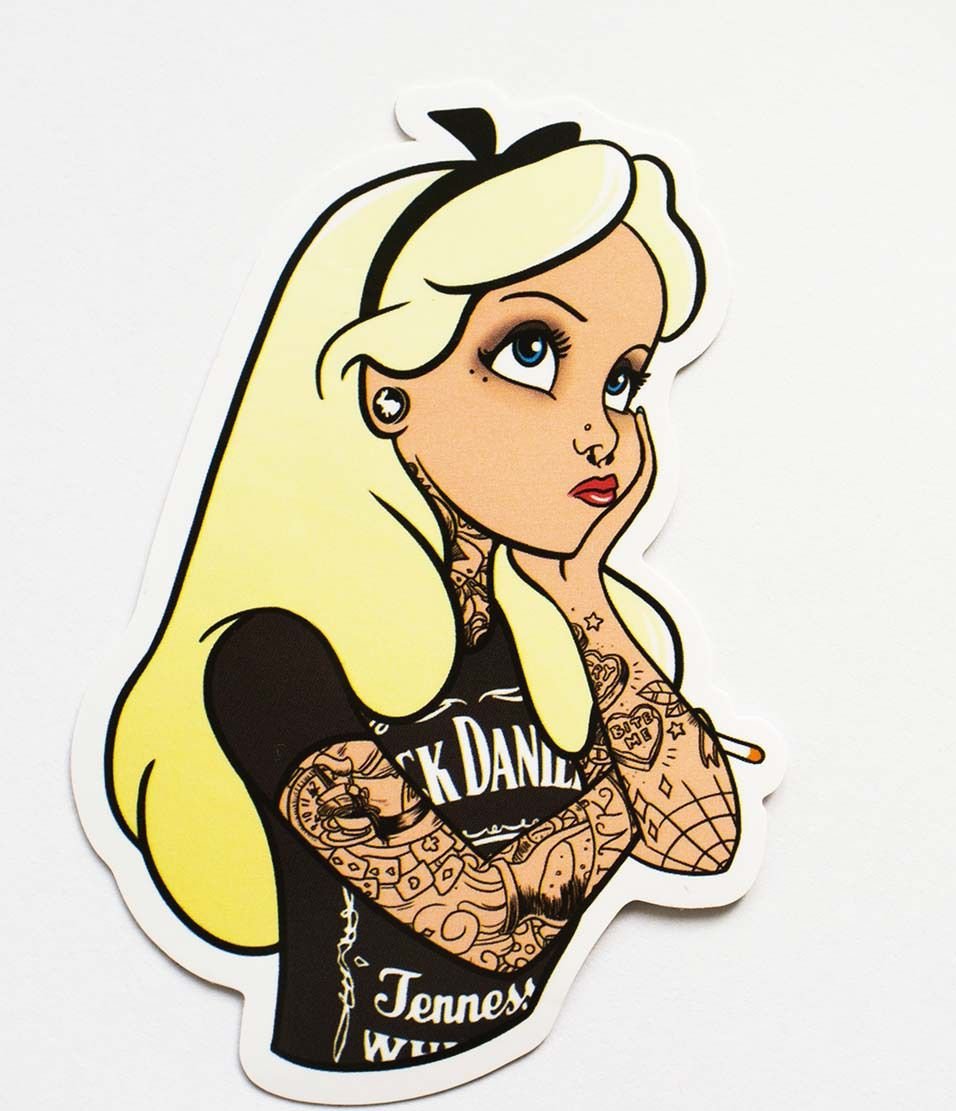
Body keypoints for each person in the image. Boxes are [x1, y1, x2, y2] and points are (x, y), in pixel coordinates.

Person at [106, 106, 756, 1072]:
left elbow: (703, 844)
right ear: (384, 385)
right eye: (531, 351)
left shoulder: (571, 629)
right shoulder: (269, 654)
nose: (602, 431)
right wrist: (634, 788)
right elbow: (483, 919)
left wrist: (581, 590)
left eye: (622, 380)